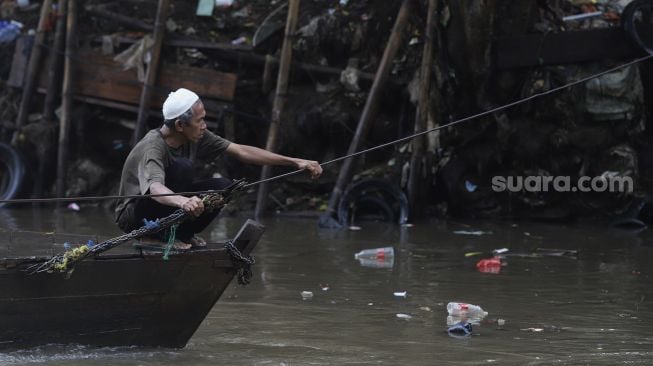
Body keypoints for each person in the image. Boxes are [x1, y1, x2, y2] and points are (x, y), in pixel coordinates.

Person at [115, 88, 322, 249]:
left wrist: (295, 162)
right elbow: (155, 189)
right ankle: (151, 236)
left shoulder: (194, 134)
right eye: (200, 120)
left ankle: (182, 233)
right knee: (183, 168)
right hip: (135, 216)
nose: (204, 125)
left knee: (224, 187)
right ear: (180, 125)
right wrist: (183, 200)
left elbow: (241, 151)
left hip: (167, 205)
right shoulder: (154, 146)